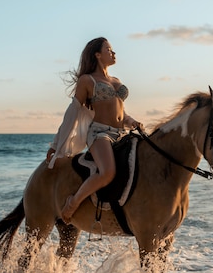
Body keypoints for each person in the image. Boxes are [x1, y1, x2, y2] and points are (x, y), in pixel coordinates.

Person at [46, 37, 142, 223]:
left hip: (121, 134)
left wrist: (132, 121)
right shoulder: (87, 80)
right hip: (99, 134)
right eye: (109, 49)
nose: (113, 53)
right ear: (97, 54)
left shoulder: (116, 80)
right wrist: (56, 144)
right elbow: (72, 113)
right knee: (107, 172)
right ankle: (72, 203)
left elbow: (122, 112)